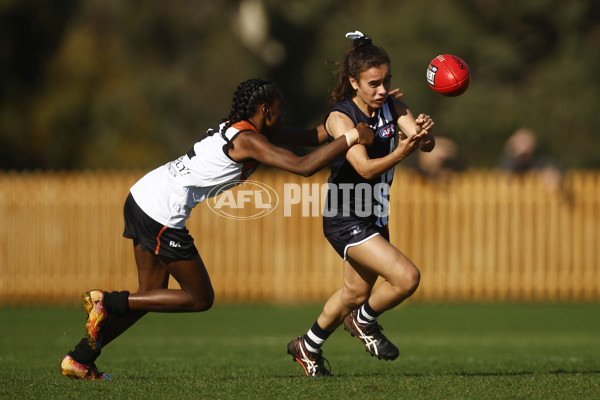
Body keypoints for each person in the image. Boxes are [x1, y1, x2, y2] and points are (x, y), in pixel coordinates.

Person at [59, 78, 375, 380]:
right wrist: (352, 138)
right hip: (160, 212)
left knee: (150, 296)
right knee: (199, 298)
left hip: (143, 196)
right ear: (265, 110)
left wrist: (355, 113)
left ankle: (80, 359)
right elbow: (304, 167)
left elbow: (313, 137)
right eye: (279, 107)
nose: (282, 113)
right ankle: (107, 301)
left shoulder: (245, 129)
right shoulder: (248, 139)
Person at [287, 31, 435, 377]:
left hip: (376, 212)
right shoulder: (341, 118)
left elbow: (423, 145)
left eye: (386, 81)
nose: (382, 89)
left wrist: (424, 134)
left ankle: (307, 346)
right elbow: (365, 168)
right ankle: (364, 323)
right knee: (406, 277)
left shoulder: (394, 106)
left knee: (353, 293)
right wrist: (401, 151)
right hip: (346, 213)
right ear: (354, 82)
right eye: (373, 83)